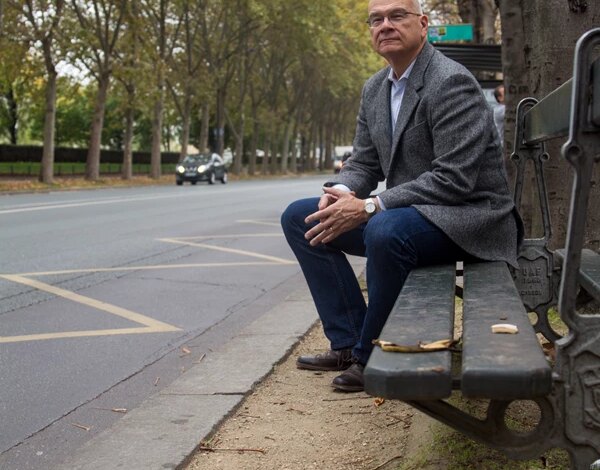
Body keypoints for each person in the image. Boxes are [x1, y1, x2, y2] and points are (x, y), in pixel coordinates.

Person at [281, 0, 522, 393]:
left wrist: (372, 205)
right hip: (413, 216)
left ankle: (372, 354)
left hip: (469, 218)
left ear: (423, 24)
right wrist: (342, 192)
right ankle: (348, 341)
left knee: (386, 228)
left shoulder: (450, 81)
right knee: (299, 217)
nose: (385, 26)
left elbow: (454, 180)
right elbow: (364, 162)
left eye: (397, 16)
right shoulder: (375, 88)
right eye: (376, 20)